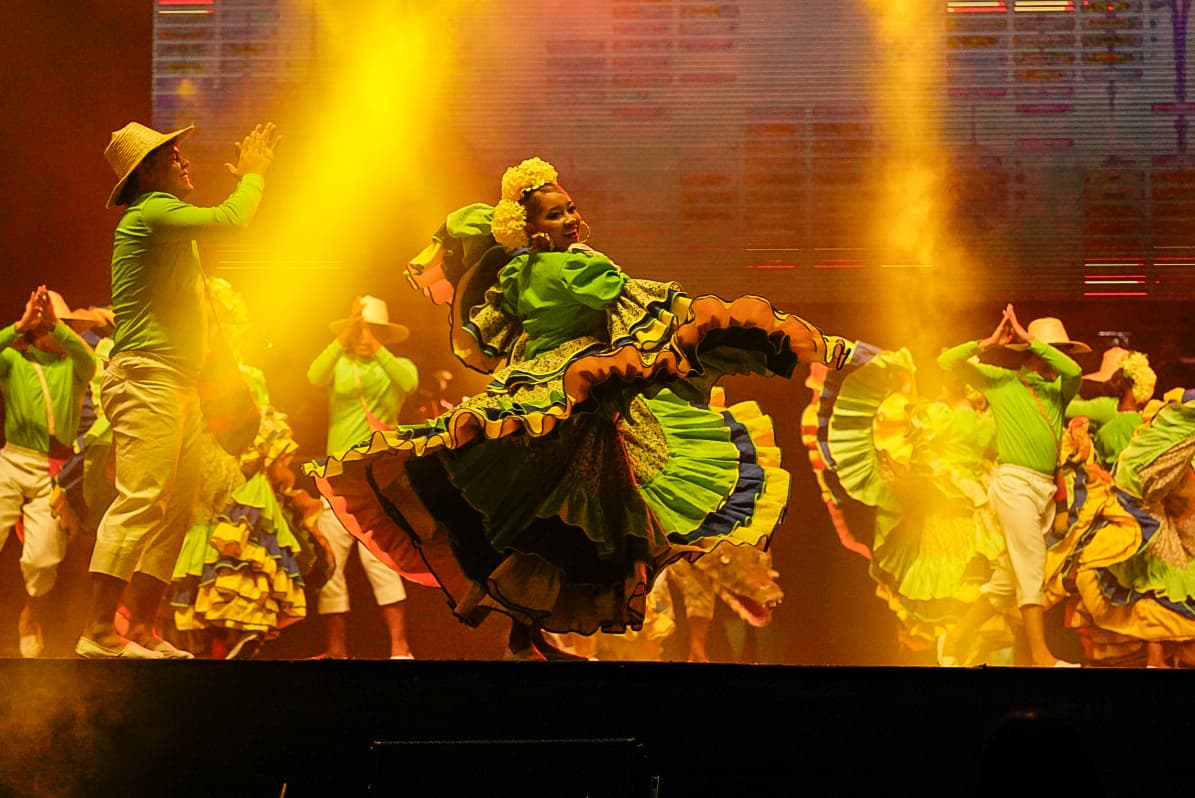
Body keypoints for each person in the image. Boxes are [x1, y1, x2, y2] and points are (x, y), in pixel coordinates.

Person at [306, 156, 849, 659]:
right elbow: (650, 305)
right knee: (576, 513)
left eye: (571, 208)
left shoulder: (520, 273)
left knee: (550, 515)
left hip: (557, 395)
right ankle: (536, 622)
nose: (570, 218)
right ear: (532, 228)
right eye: (555, 213)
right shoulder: (575, 269)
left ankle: (529, 626)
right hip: (568, 393)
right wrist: (744, 331)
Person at [77, 120, 280, 659]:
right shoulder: (150, 213)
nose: (186, 161)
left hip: (176, 381)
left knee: (176, 510)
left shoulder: (166, 221)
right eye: (174, 156)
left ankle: (140, 630)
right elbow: (232, 220)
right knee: (141, 499)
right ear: (147, 171)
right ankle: (98, 631)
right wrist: (256, 175)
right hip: (147, 376)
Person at [937, 308, 1087, 667]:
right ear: (1033, 355)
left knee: (1007, 580)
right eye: (1054, 350)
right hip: (1014, 484)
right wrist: (989, 343)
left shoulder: (1059, 391)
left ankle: (955, 638)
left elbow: (1076, 371)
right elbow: (945, 361)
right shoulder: (1001, 382)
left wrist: (1031, 339)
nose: (1060, 358)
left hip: (1043, 492)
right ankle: (1041, 657)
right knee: (1031, 565)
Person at [307, 295, 418, 659]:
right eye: (360, 330)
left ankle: (400, 650)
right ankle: (335, 650)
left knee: (383, 561)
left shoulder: (397, 366)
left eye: (373, 331)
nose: (365, 337)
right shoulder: (339, 364)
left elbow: (409, 382)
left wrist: (378, 345)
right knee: (331, 565)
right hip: (336, 477)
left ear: (384, 333)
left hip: (379, 480)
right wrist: (344, 339)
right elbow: (313, 375)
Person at [0, 286, 97, 657]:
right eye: (50, 327)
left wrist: (57, 327)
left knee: (43, 559)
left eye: (63, 327)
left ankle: (32, 616)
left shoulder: (74, 368)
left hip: (53, 472)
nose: (59, 333)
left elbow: (88, 359)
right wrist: (19, 325)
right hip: (12, 462)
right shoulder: (13, 361)